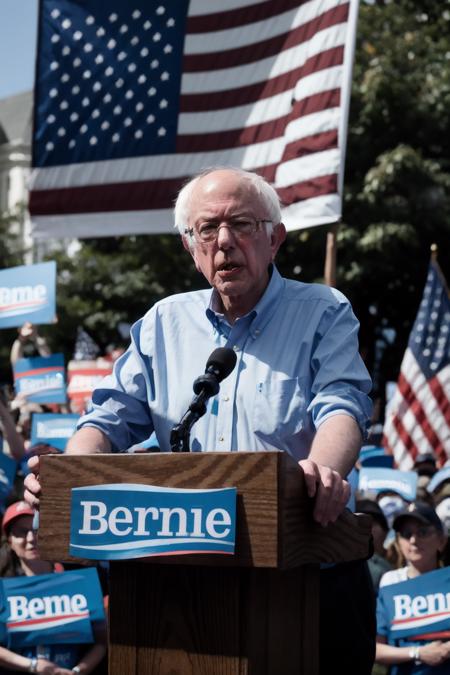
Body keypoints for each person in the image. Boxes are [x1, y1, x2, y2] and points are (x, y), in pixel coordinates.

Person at [25, 167, 375, 674]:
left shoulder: (323, 310)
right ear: (191, 247)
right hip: (179, 591)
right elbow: (105, 419)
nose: (224, 242)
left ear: (274, 238)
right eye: (207, 230)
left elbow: (342, 403)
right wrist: (73, 479)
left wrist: (320, 472)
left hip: (309, 576)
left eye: (242, 225)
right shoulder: (163, 323)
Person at [0, 501, 107, 674]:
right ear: (10, 540)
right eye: (21, 531)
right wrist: (33, 666)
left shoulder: (79, 582)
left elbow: (102, 641)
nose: (30, 538)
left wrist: (77, 671)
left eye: (37, 529)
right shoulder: (2, 589)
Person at [375, 501, 450, 673]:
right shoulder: (390, 582)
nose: (414, 540)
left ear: (441, 540)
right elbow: (376, 648)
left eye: (422, 532)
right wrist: (418, 653)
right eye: (406, 534)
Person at [356, 497, 393, 594]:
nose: (366, 529)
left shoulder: (403, 561)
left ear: (385, 531)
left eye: (372, 523)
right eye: (359, 523)